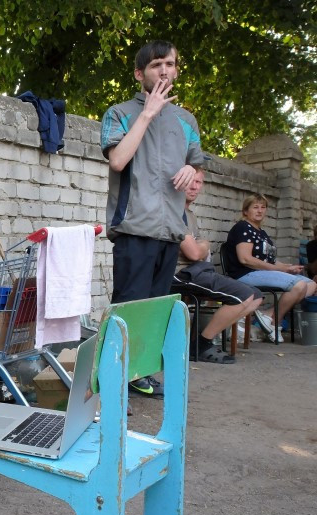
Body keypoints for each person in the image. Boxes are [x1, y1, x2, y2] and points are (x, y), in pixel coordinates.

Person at [100, 40, 204, 396]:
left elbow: (197, 174)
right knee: (127, 310)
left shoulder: (186, 121)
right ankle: (114, 379)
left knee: (157, 310)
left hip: (171, 230)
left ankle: (139, 374)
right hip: (133, 227)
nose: (164, 70)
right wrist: (147, 114)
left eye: (170, 64)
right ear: (139, 73)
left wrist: (191, 170)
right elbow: (118, 161)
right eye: (156, 64)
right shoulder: (119, 113)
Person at [174, 169, 262, 362]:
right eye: (191, 181)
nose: (194, 187)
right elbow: (195, 252)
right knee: (244, 295)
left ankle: (201, 339)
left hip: (197, 270)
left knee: (256, 297)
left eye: (199, 182)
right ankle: (201, 344)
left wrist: (202, 245)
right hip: (181, 273)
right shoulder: (175, 211)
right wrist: (204, 245)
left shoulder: (189, 214)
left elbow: (198, 248)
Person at [223, 193, 317, 342]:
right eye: (255, 207)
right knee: (298, 285)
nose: (260, 210)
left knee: (311, 285)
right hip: (245, 273)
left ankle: (268, 316)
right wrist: (278, 270)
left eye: (263, 207)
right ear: (245, 211)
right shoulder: (243, 228)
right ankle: (274, 323)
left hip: (261, 271)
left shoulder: (262, 233)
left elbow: (269, 261)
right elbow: (245, 259)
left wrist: (287, 267)